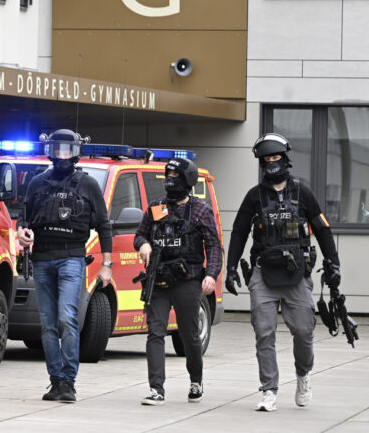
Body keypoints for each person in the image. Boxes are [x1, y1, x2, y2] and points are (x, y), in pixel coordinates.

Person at [224, 133, 341, 412]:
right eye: (267, 159)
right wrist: (230, 268)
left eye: (276, 157)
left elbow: (323, 230)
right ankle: (269, 389)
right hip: (263, 273)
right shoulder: (254, 196)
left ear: (285, 160)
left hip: (296, 274)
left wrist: (333, 263)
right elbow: (239, 232)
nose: (271, 163)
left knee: (303, 331)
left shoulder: (303, 193)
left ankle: (303, 375)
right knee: (263, 332)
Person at [17, 129, 113, 403]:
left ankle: (69, 381)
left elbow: (104, 226)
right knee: (47, 325)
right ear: (50, 151)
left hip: (72, 258)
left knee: (66, 318)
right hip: (42, 259)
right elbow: (23, 220)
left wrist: (107, 265)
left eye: (66, 150)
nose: (61, 155)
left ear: (75, 151)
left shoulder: (88, 185)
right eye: (57, 149)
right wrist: (21, 233)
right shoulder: (36, 183)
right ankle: (55, 380)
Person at [134, 157, 221, 405]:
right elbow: (140, 235)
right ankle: (156, 389)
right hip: (158, 280)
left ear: (187, 181)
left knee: (189, 335)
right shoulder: (155, 207)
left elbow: (214, 245)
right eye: (167, 177)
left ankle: (196, 379)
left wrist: (211, 275)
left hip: (188, 281)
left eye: (175, 177)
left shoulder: (201, 210)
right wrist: (144, 244)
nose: (170, 182)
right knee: (155, 332)